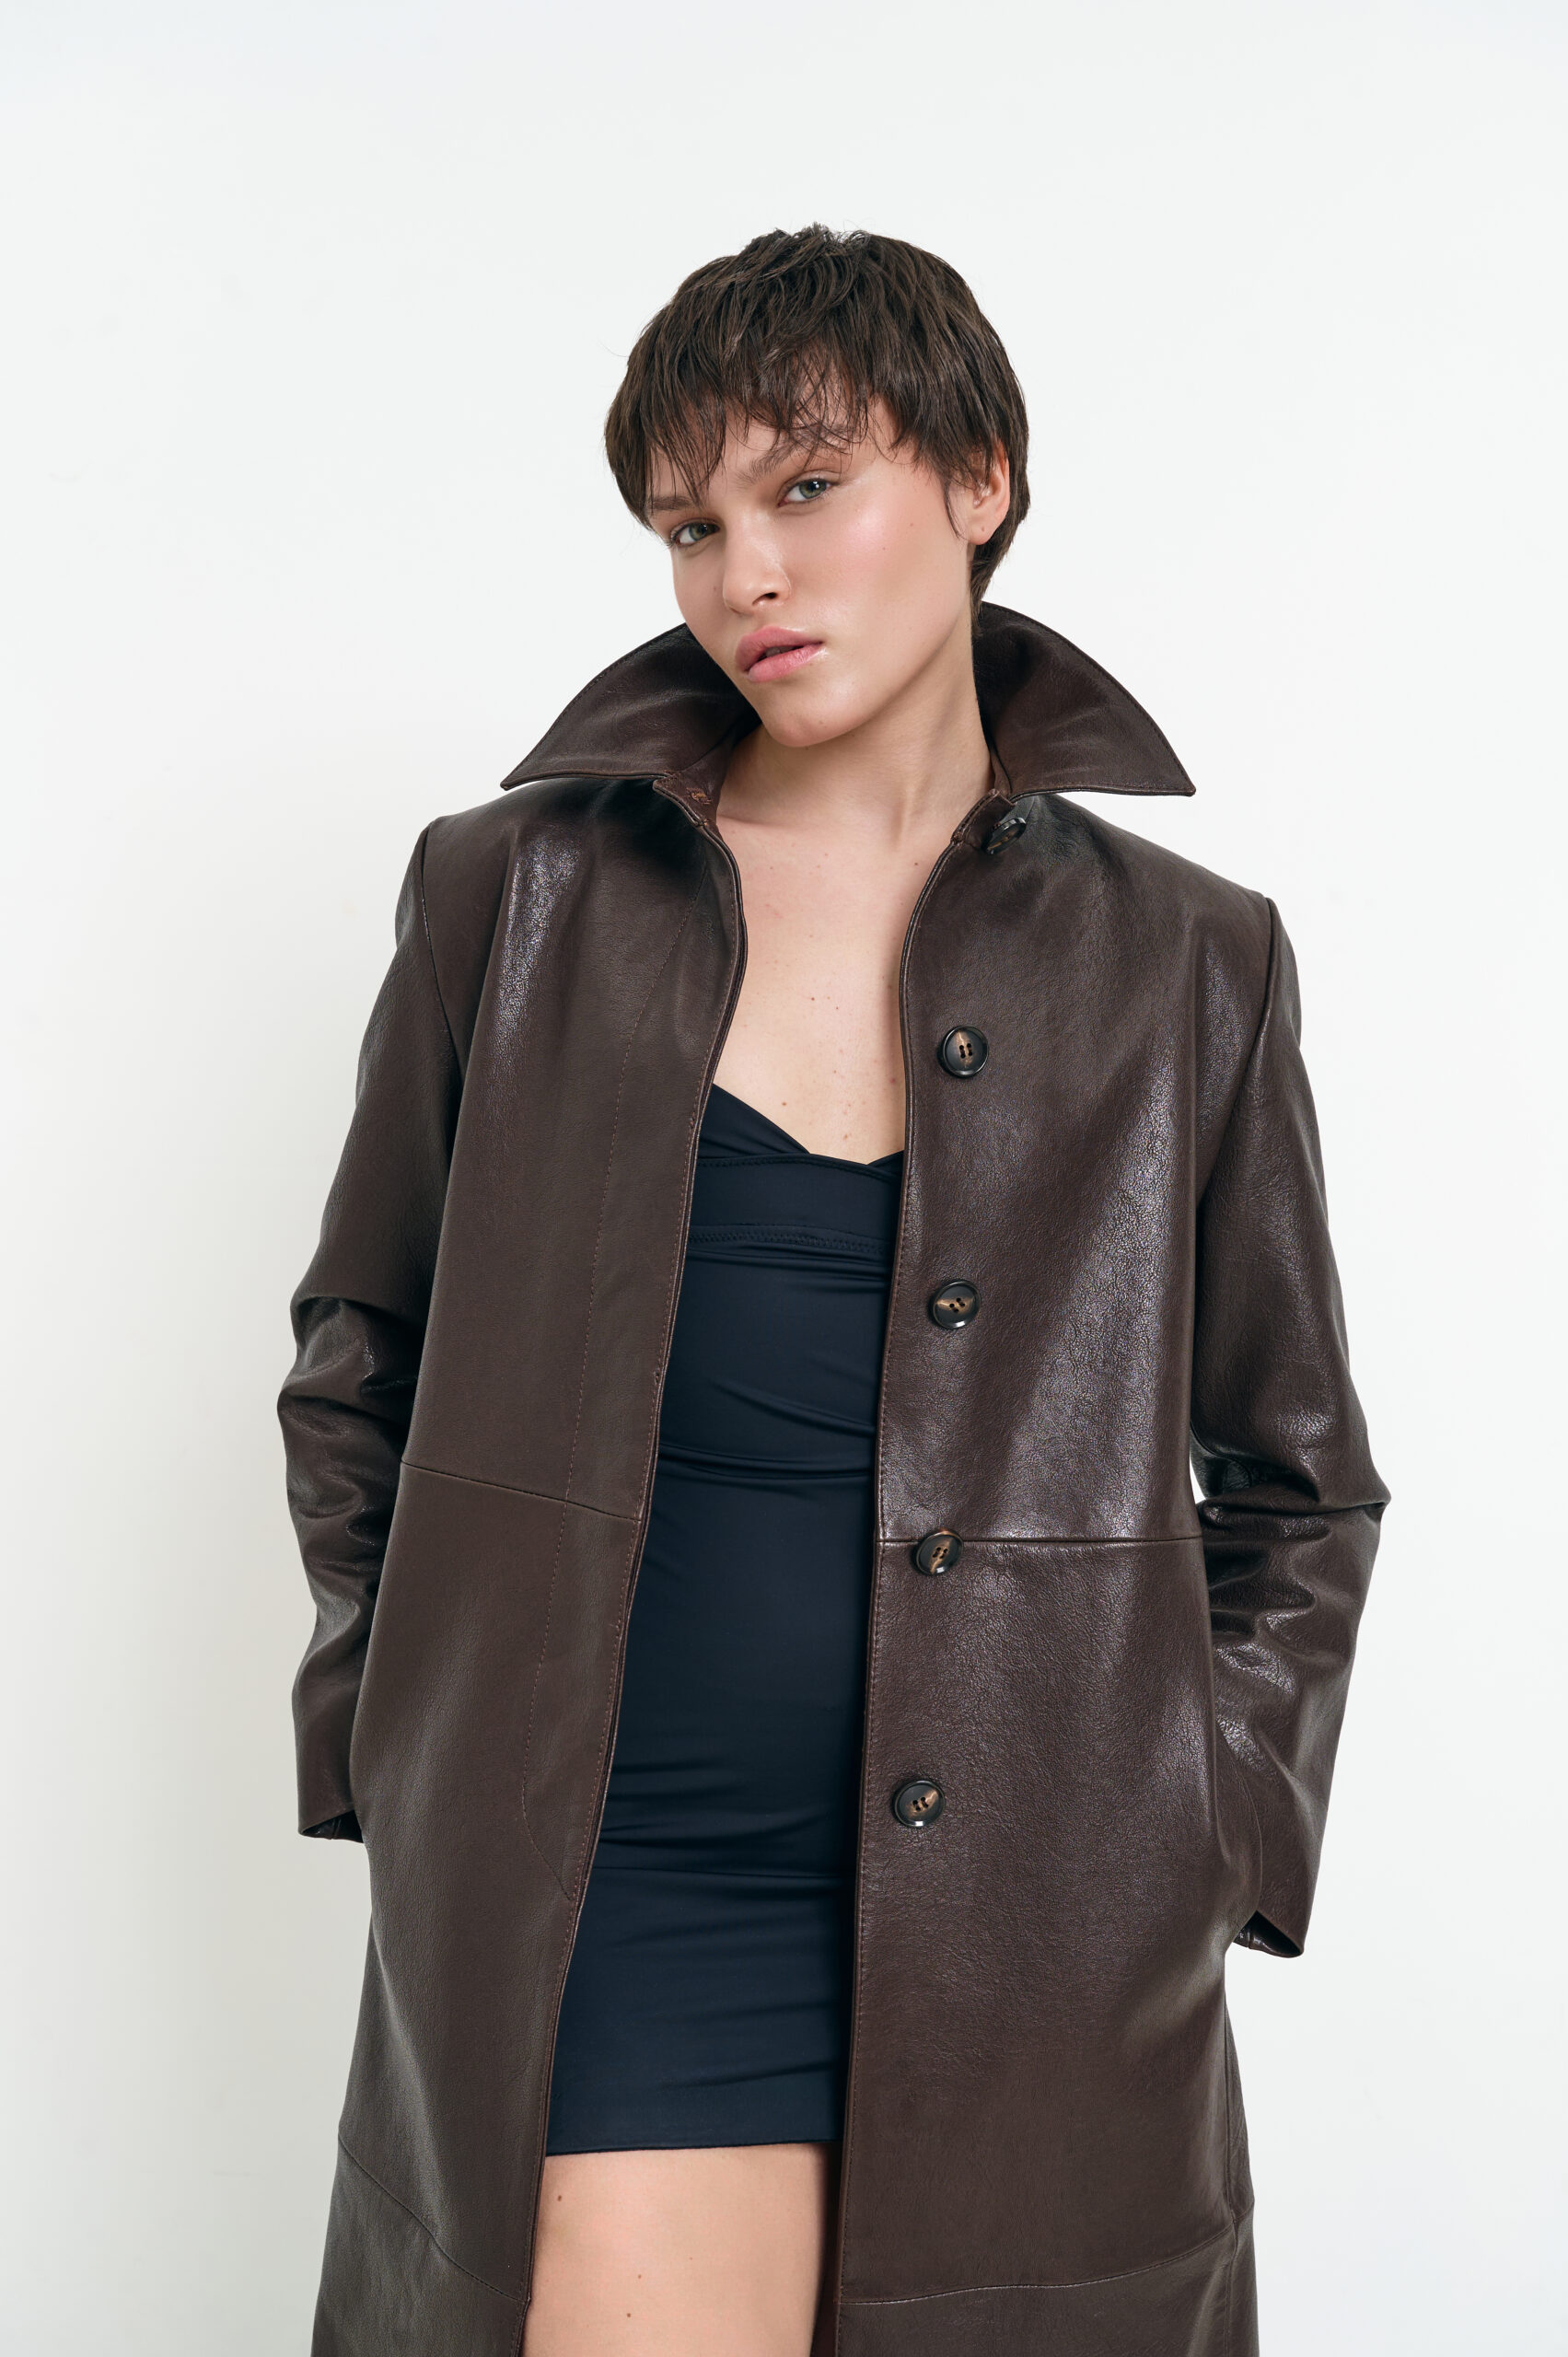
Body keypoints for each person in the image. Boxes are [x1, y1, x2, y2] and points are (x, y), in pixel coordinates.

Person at [279, 226, 1387, 2357]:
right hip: (614, 1888)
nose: (747, 574)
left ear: (978, 475)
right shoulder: (513, 898)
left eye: (806, 487)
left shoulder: (1191, 958)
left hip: (1044, 1930)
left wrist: (1212, 1828)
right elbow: (362, 1368)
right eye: (690, 524)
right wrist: (397, 1749)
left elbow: (1297, 1473)